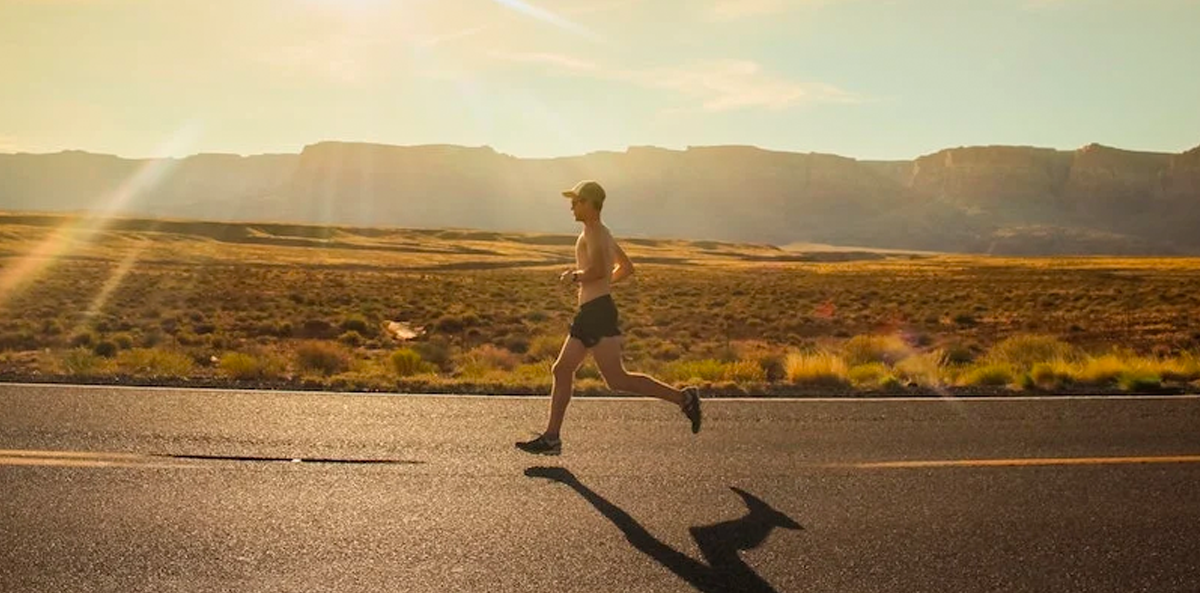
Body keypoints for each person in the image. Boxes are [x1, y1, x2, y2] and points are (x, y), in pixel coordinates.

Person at [516, 180, 701, 456]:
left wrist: (575, 277)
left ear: (590, 203)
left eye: (576, 201)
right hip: (595, 309)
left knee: (614, 379)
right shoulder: (602, 232)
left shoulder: (594, 232)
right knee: (566, 370)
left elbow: (601, 269)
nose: (571, 206)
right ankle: (552, 437)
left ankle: (683, 398)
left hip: (597, 313)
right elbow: (625, 268)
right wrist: (601, 287)